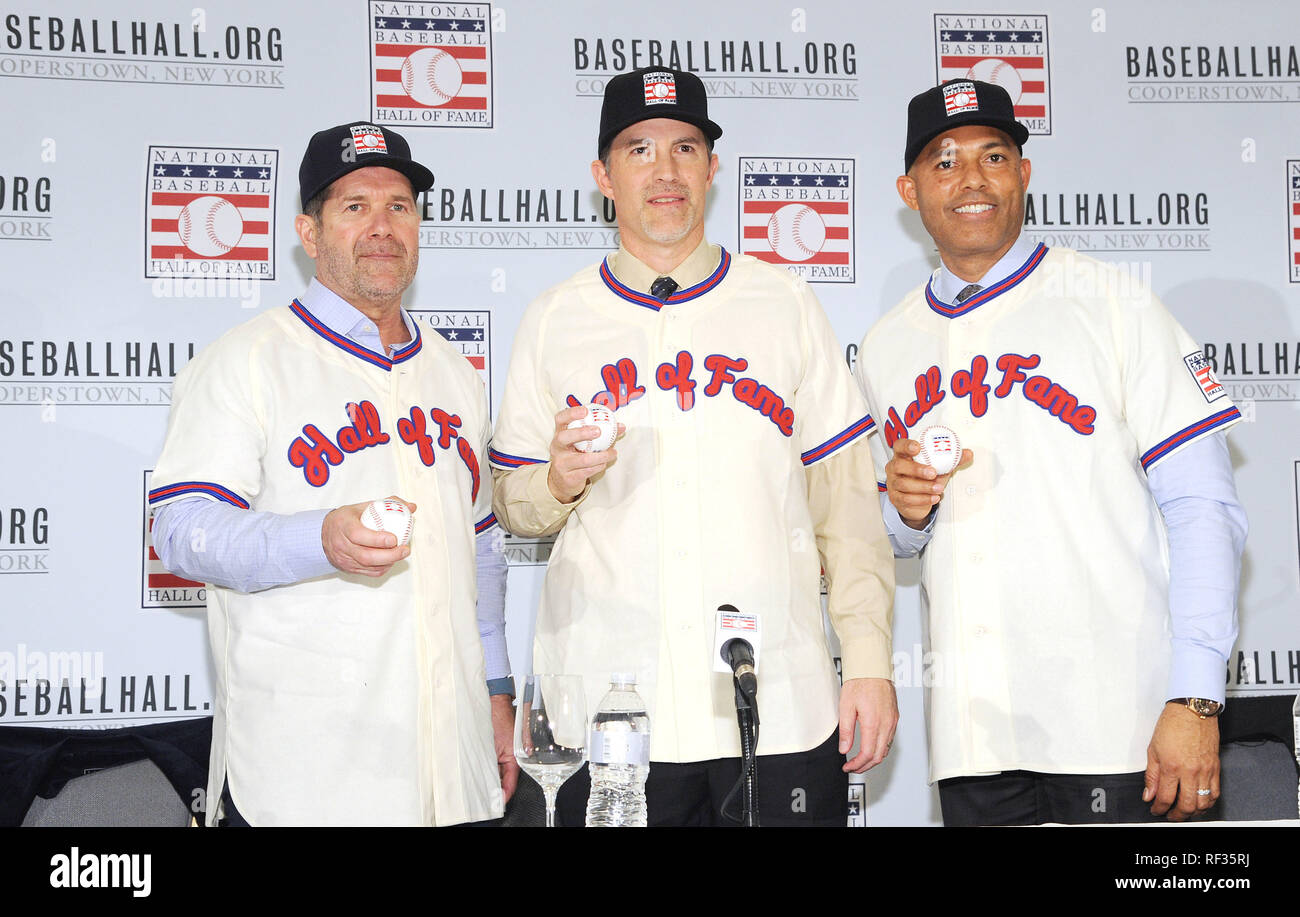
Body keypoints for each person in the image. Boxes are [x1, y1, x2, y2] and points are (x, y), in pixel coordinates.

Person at [490, 67, 896, 826]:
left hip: (777, 708)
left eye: (685, 147)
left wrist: (869, 661)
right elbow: (514, 504)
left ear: (713, 169)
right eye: (638, 149)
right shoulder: (554, 319)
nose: (665, 170)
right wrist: (556, 478)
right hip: (609, 716)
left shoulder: (785, 303)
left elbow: (847, 507)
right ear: (602, 176)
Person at [855, 79, 1247, 826]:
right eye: (943, 162)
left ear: (1024, 174)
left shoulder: (1115, 303)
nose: (970, 178)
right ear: (909, 189)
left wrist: (1195, 696)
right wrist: (901, 509)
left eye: (993, 155)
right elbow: (901, 536)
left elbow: (1204, 506)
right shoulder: (885, 346)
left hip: (1121, 726)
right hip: (975, 739)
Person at [149, 121, 515, 826]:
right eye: (354, 207)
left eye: (399, 206)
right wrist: (321, 538)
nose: (382, 227)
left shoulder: (453, 372)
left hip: (451, 759)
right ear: (308, 234)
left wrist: (496, 687)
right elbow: (181, 529)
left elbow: (483, 544)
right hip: (307, 776)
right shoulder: (246, 360)